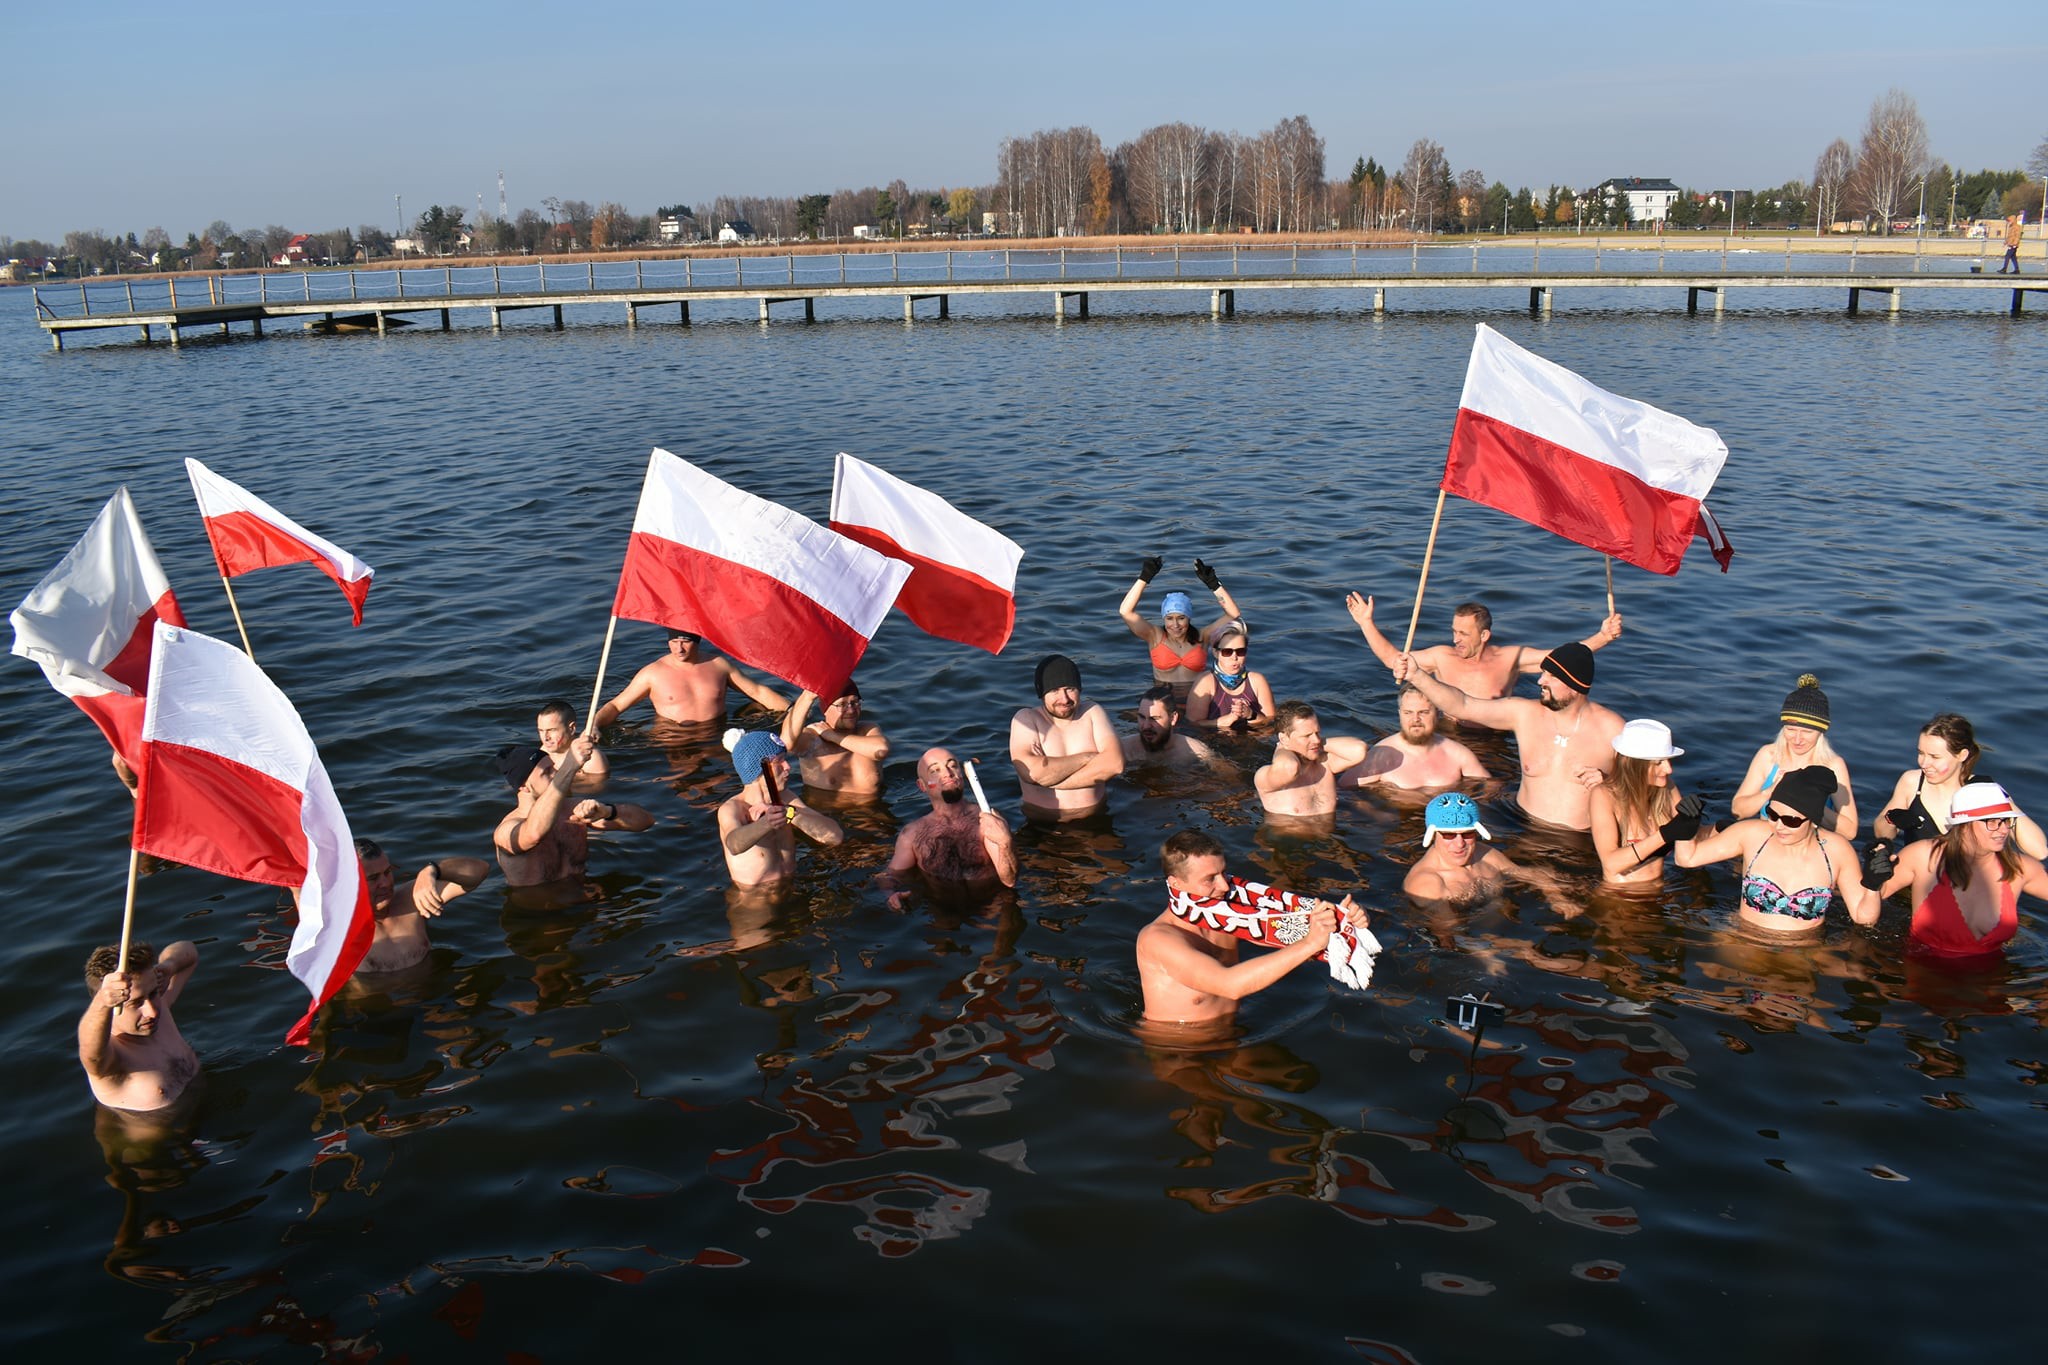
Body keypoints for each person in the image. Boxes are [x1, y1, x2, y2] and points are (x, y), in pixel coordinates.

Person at [1137, 830, 1367, 1026]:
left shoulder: (1225, 912)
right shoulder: (1158, 939)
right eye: (1210, 879)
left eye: (1223, 872)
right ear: (1176, 883)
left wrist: (1345, 920)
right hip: (1176, 1046)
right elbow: (1229, 985)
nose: (1225, 885)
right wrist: (1310, 943)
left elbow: (1287, 933)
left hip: (1235, 1030)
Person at [1394, 641, 1623, 831]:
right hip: (1520, 826)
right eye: (1543, 673)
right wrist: (1417, 676)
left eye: (1551, 676)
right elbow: (1463, 705)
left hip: (1578, 840)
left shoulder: (1613, 730)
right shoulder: (1524, 714)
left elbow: (1648, 786)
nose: (1540, 681)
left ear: (1574, 685)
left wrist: (1611, 784)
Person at [1673, 766, 1875, 933]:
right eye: (1772, 814)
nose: (1778, 826)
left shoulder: (1837, 851)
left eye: (1790, 820)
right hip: (1743, 942)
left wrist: (1874, 884)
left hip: (1804, 952)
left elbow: (1862, 917)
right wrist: (1685, 823)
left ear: (1813, 820)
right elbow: (1687, 859)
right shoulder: (1752, 834)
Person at [1347, 591, 1623, 711]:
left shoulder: (1509, 659)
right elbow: (1394, 660)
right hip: (1450, 733)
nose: (1456, 639)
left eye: (1463, 634)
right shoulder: (1442, 657)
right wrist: (1366, 623)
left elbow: (1563, 658)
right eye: (1454, 631)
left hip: (1494, 738)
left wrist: (1603, 637)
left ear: (1485, 635)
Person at [1866, 781, 2048, 957]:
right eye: (1991, 822)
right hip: (1924, 976)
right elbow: (1864, 903)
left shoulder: (2019, 869)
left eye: (2006, 821)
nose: (2003, 830)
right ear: (1964, 824)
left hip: (1992, 981)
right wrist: (1872, 877)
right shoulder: (1923, 857)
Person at [493, 735, 655, 890]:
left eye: (555, 768)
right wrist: (570, 766)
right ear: (523, 786)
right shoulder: (506, 831)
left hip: (587, 900)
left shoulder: (572, 809)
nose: (556, 773)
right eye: (547, 772)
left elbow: (646, 821)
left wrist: (608, 812)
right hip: (542, 914)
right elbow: (534, 834)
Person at [1873, 713, 2047, 856]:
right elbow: (1882, 834)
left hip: (1965, 888)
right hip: (1916, 882)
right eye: (1920, 753)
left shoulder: (1983, 792)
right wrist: (1892, 818)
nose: (1924, 763)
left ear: (1962, 755)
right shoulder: (1911, 782)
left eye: (1934, 757)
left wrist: (2004, 803)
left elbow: (2039, 852)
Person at [877, 748, 1018, 909]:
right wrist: (890, 895)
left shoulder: (988, 820)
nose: (948, 773)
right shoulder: (912, 834)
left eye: (953, 766)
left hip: (992, 909)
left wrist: (1005, 842)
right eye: (935, 770)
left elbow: (1010, 880)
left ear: (962, 775)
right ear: (922, 785)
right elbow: (890, 875)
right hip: (942, 914)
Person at [78, 940, 201, 1113]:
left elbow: (189, 951)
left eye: (152, 994)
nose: (151, 1011)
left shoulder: (159, 1008)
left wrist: (168, 967)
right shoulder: (110, 1061)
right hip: (166, 1139)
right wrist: (102, 1002)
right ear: (111, 1004)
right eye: (135, 1003)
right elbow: (90, 1054)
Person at [1728, 675, 1856, 838]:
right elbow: (1737, 811)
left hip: (1809, 848)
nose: (1797, 739)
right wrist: (1770, 792)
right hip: (1767, 841)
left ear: (1820, 732)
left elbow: (1850, 831)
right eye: (1790, 730)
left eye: (1807, 732)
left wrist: (1810, 802)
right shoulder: (1768, 755)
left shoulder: (1833, 765)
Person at [716, 729, 844, 887]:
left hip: (793, 887)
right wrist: (767, 823)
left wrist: (790, 813)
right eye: (779, 761)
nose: (788, 766)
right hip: (754, 900)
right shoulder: (733, 809)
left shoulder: (785, 797)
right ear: (759, 770)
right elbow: (734, 845)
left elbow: (835, 837)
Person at [592, 627, 789, 728]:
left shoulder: (718, 665)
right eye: (674, 641)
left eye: (685, 641)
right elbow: (616, 706)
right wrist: (594, 726)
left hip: (716, 732)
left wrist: (792, 712)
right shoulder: (652, 673)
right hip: (673, 738)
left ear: (697, 641)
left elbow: (757, 691)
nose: (679, 648)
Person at [1589, 720, 1704, 886]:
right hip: (1618, 899)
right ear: (1635, 766)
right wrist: (1665, 835)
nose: (1669, 769)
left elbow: (1689, 839)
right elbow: (1611, 864)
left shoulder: (1667, 787)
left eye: (1668, 761)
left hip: (1659, 893)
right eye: (1658, 763)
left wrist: (1715, 827)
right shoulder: (1604, 796)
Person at [351, 839, 491, 974]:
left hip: (432, 994)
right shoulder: (340, 928)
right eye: (373, 878)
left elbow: (480, 871)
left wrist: (433, 870)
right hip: (375, 997)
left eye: (387, 872)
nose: (385, 883)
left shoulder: (411, 899)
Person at [1402, 792, 1569, 905]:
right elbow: (1449, 937)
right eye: (1449, 835)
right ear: (1432, 835)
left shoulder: (1485, 854)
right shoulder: (1427, 883)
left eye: (1467, 834)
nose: (1460, 844)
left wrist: (1556, 895)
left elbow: (1527, 873)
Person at [1009, 654, 1124, 816]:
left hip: (1097, 817)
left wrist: (1052, 782)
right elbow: (1031, 773)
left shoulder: (1092, 712)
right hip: (1043, 823)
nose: (1064, 699)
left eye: (1070, 689)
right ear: (1041, 693)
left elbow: (1115, 764)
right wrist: (1086, 758)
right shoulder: (1027, 719)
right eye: (1054, 690)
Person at [1118, 556, 1247, 693]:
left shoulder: (1203, 637)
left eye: (1181, 618)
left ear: (1189, 618)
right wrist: (1144, 578)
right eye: (1169, 618)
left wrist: (1214, 584)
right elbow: (1125, 611)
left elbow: (1233, 614)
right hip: (1164, 701)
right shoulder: (1154, 636)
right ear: (1164, 618)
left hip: (1197, 699)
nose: (1175, 624)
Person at [1346, 683, 1491, 791]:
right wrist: (1376, 814)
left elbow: (1490, 787)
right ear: (1400, 713)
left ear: (1438, 714)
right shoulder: (1381, 755)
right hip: (1400, 824)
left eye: (1423, 712)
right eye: (1408, 712)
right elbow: (1346, 791)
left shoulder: (1457, 753)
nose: (1415, 719)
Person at [1254, 701, 1371, 817]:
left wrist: (1318, 745)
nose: (1317, 740)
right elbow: (1289, 768)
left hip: (1330, 833)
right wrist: (1282, 749)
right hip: (1289, 834)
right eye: (1307, 736)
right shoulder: (1266, 778)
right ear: (1284, 739)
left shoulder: (1324, 764)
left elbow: (1359, 750)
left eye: (1317, 733)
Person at [779, 681, 889, 797]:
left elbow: (881, 750)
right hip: (828, 812)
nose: (851, 710)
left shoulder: (867, 730)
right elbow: (785, 743)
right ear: (825, 709)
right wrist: (808, 697)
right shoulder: (813, 738)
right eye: (842, 705)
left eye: (854, 702)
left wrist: (832, 736)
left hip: (874, 810)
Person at [1183, 624, 1276, 731]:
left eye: (1240, 651)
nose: (1234, 657)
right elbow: (1193, 724)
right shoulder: (1206, 682)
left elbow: (1271, 722)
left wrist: (1251, 715)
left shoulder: (1257, 681)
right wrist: (1223, 721)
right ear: (1215, 652)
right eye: (1227, 652)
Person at [1120, 684, 1228, 769]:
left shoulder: (1194, 750)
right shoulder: (1124, 749)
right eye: (1142, 717)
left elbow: (1228, 777)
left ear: (1173, 718)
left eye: (1154, 719)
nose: (1146, 726)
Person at [536, 697, 608, 788]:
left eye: (552, 730)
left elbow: (598, 789)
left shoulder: (591, 759)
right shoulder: (544, 751)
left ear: (571, 728)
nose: (546, 738)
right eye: (541, 731)